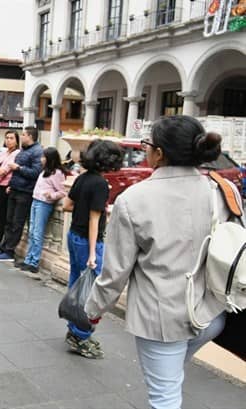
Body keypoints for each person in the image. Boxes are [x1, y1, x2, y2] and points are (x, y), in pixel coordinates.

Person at [85, 116, 241, 409]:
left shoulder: (134, 200)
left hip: (162, 322)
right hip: (211, 315)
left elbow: (115, 273)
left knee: (165, 398)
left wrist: (92, 311)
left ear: (158, 153)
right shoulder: (221, 191)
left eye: (148, 146)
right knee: (169, 380)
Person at [61, 139, 123, 359]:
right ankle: (80, 334)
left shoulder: (82, 178)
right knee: (92, 289)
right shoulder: (99, 184)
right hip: (88, 242)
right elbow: (94, 220)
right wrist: (92, 255)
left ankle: (74, 326)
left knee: (76, 282)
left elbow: (66, 205)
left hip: (74, 236)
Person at [0, 126, 43, 262]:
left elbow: (35, 172)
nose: (21, 137)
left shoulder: (37, 151)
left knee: (17, 223)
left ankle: (9, 251)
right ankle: (3, 247)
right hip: (14, 189)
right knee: (9, 221)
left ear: (30, 136)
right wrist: (11, 185)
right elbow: (13, 171)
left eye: (23, 135)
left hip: (25, 192)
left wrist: (18, 168)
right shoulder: (24, 151)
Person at [17, 147, 68, 278]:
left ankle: (34, 262)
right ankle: (28, 259)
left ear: (50, 159)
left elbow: (62, 191)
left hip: (44, 203)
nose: (41, 159)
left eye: (44, 157)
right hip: (36, 201)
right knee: (32, 231)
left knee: (38, 232)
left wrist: (51, 195)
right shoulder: (44, 171)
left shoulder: (57, 173)